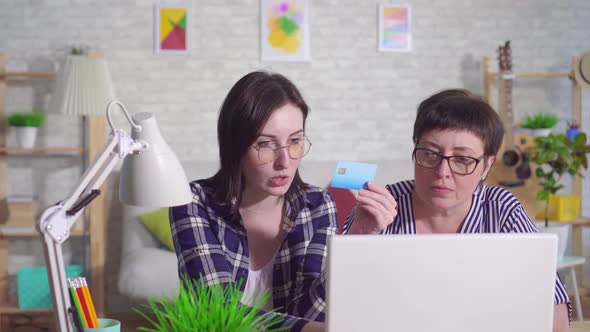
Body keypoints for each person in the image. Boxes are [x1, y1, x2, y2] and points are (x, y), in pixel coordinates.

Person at [343, 89, 571, 332]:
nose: (443, 172)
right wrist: (362, 232)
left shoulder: (502, 210)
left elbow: (551, 301)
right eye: (430, 154)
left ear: (486, 166)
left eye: (462, 159)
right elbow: (333, 301)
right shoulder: (381, 206)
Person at [170, 71, 336, 332]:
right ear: (235, 146)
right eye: (265, 144)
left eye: (295, 141)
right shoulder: (192, 202)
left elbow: (309, 313)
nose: (285, 162)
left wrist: (356, 239)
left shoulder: (317, 206)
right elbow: (218, 313)